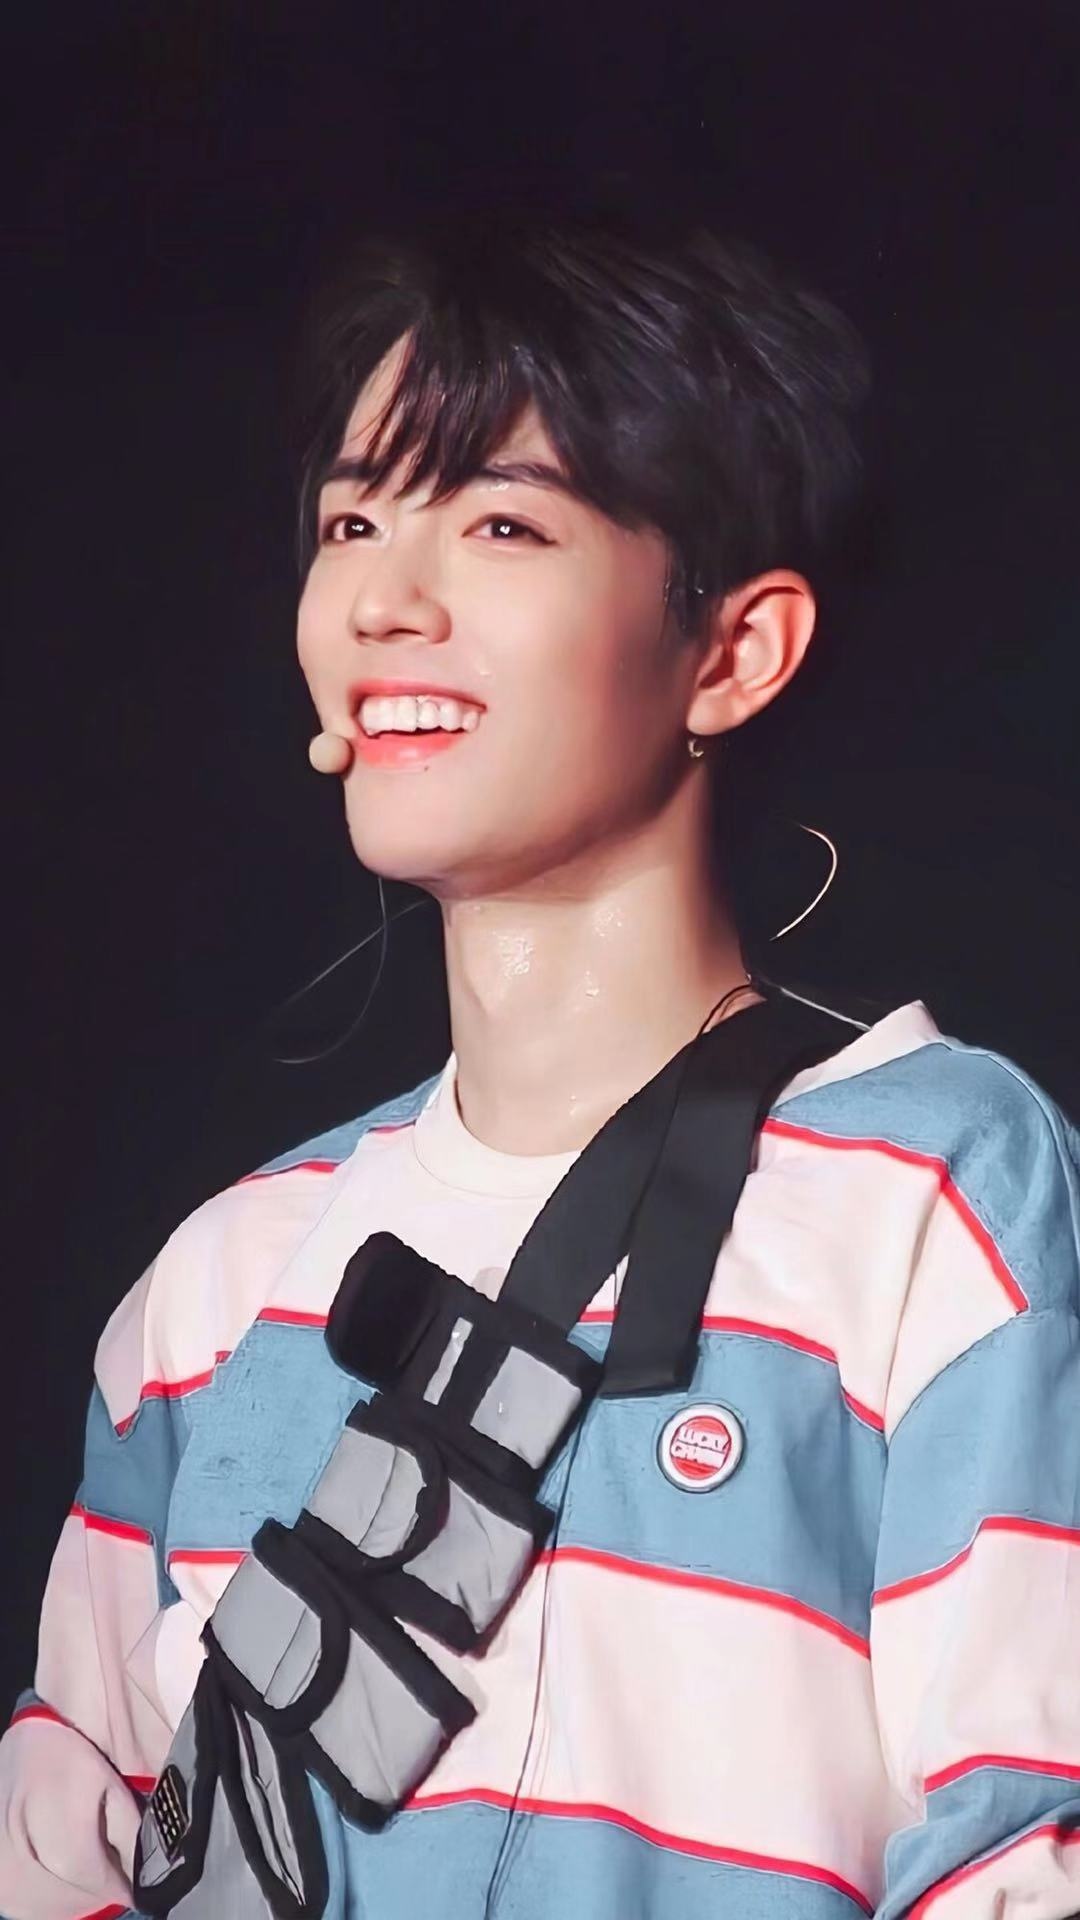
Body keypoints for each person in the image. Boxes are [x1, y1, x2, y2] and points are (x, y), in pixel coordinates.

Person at [2, 205, 1079, 1920]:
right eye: (353, 520)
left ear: (732, 650)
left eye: (502, 522)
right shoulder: (217, 1288)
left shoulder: (931, 1199)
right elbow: (66, 1853)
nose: (384, 599)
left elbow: (1027, 1846)